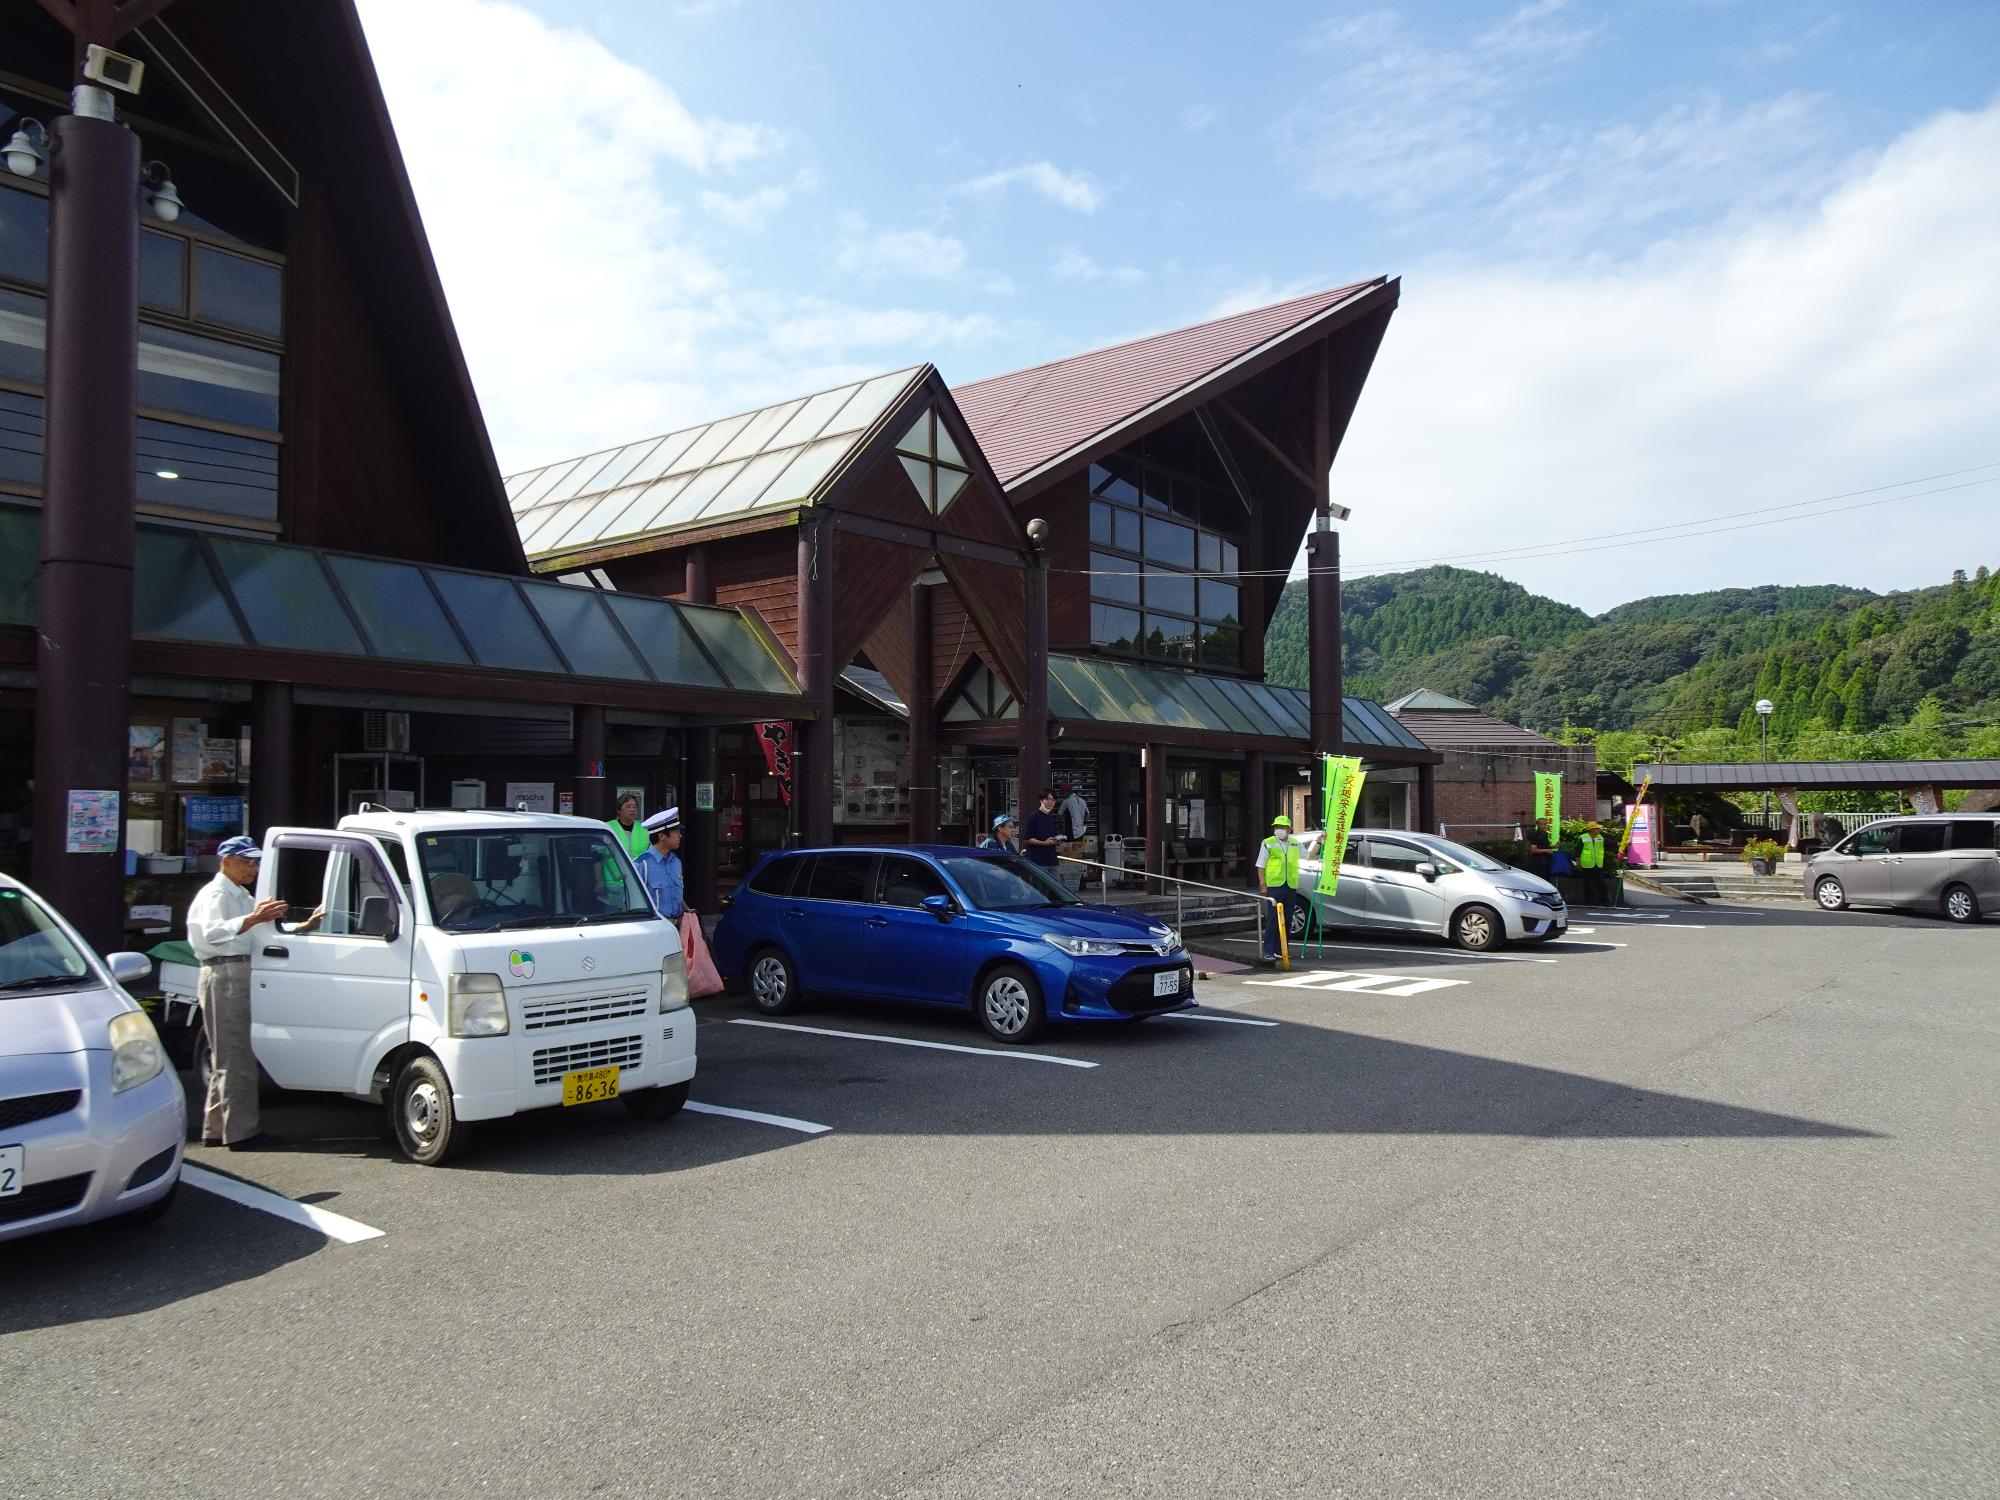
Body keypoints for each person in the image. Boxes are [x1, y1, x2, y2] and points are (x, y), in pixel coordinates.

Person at [187, 834, 290, 1150]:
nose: (253, 868)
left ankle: (215, 1129)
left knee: (228, 1054)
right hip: (225, 969)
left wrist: (299, 927)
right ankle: (243, 1133)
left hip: (237, 968)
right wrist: (253, 918)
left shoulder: (240, 894)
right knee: (236, 1055)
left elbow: (258, 932)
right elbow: (211, 932)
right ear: (226, 861)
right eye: (247, 862)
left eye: (255, 862)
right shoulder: (217, 893)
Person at [1253, 814, 1306, 964]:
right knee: (1272, 920)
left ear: (1289, 829)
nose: (1279, 830)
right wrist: (1263, 885)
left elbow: (1308, 855)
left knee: (1287, 919)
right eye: (1276, 827)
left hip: (1290, 886)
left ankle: (1281, 949)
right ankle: (1269, 951)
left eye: (1282, 827)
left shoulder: (1295, 843)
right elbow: (1261, 865)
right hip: (1274, 886)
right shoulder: (1268, 843)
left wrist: (1319, 842)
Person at [634, 806, 686, 921]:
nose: (680, 836)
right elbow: (632, 903)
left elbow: (676, 895)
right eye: (676, 832)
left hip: (677, 926)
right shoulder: (642, 865)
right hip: (656, 929)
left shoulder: (676, 862)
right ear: (661, 836)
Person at [1056, 783, 1091, 891]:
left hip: (1070, 834)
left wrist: (1059, 828)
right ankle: (1077, 883)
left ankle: (1067, 884)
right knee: (1078, 858)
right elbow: (1087, 816)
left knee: (1067, 858)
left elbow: (1059, 815)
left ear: (1066, 792)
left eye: (1062, 793)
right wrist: (1082, 825)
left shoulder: (1066, 801)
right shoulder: (1083, 801)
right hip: (1081, 832)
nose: (1062, 795)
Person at [1021, 788, 1063, 875]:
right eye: (1048, 799)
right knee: (1038, 887)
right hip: (1038, 861)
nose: (1051, 802)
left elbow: (1051, 836)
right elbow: (1026, 838)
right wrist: (1044, 843)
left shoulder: (1050, 817)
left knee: (1055, 887)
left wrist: (1057, 842)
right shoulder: (1033, 816)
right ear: (1041, 800)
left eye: (1053, 800)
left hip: (1052, 860)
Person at [606, 793, 647, 862]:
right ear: (618, 810)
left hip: (638, 872)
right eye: (628, 806)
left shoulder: (644, 829)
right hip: (614, 872)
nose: (632, 810)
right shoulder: (608, 828)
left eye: (634, 807)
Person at [1577, 821, 1609, 905]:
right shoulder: (1583, 837)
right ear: (1591, 829)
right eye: (1596, 828)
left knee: (1601, 883)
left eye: (1598, 828)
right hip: (1586, 865)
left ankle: (1605, 901)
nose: (1598, 830)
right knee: (1587, 884)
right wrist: (1578, 862)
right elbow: (1577, 851)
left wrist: (1621, 843)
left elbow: (1610, 843)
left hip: (1598, 864)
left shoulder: (1600, 837)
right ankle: (1589, 901)